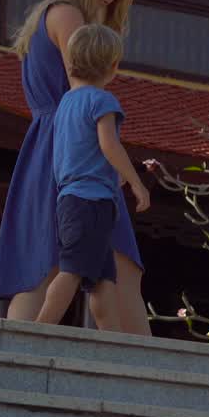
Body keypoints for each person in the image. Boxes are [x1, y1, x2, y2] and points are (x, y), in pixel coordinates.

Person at [0, 0, 151, 334]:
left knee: (52, 262)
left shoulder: (53, 13)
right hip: (72, 145)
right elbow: (84, 85)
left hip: (55, 142)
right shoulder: (67, 16)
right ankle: (142, 371)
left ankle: (16, 356)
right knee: (98, 264)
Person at [37, 23, 150, 326]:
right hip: (93, 202)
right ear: (113, 67)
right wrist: (137, 182)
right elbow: (108, 144)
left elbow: (75, 150)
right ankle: (37, 330)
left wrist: (113, 176)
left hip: (70, 199)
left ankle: (110, 341)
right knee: (72, 270)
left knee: (103, 279)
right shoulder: (103, 101)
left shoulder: (64, 104)